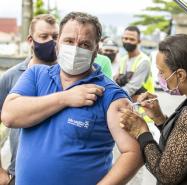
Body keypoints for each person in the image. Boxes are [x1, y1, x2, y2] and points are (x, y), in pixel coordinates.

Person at [1, 12, 142, 185]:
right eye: (69, 41)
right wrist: (65, 98)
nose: (75, 49)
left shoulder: (111, 96)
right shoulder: (36, 75)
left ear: (96, 49)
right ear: (58, 42)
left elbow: (133, 153)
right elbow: (9, 116)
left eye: (84, 44)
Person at [120, 34, 187, 185]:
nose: (160, 77)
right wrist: (159, 119)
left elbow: (166, 175)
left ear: (181, 75)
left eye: (162, 72)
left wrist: (142, 132)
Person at [0, 14, 59, 185]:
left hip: (60, 175)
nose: (51, 41)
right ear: (30, 40)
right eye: (44, 36)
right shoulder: (12, 76)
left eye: (55, 37)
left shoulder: (69, 76)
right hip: (19, 174)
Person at [115, 26, 154, 101]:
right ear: (122, 39)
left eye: (132, 39)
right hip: (127, 104)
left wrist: (112, 95)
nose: (128, 41)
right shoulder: (123, 59)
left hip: (142, 108)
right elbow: (116, 80)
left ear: (139, 41)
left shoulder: (144, 61)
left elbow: (131, 88)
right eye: (125, 38)